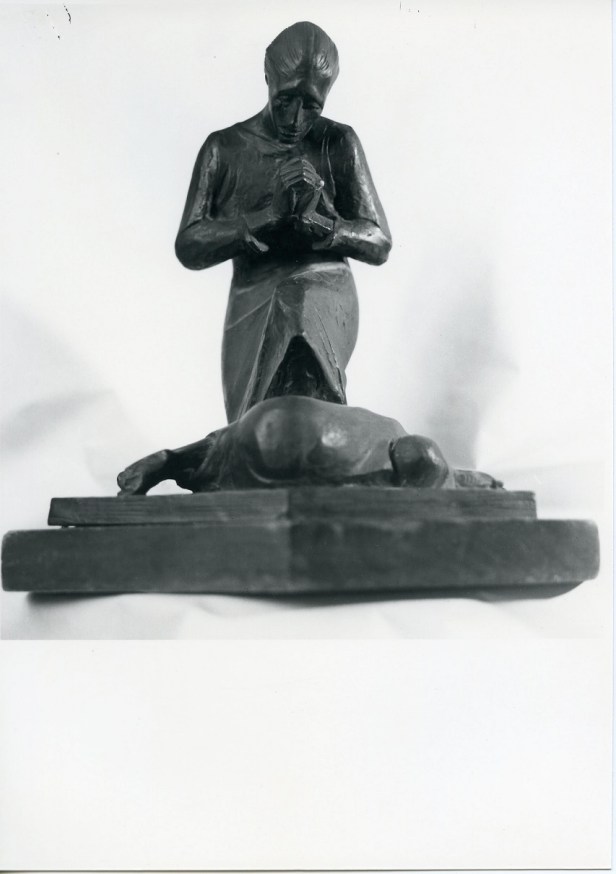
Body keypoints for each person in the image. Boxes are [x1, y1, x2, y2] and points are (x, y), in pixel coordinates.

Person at [175, 21, 391, 423]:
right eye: (285, 100)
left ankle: (327, 444)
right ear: (268, 79)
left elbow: (378, 241)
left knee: (296, 306)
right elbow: (189, 245)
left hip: (323, 285)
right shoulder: (224, 148)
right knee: (249, 421)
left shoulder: (337, 143)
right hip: (253, 293)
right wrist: (265, 218)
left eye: (311, 106)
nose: (295, 118)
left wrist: (327, 227)